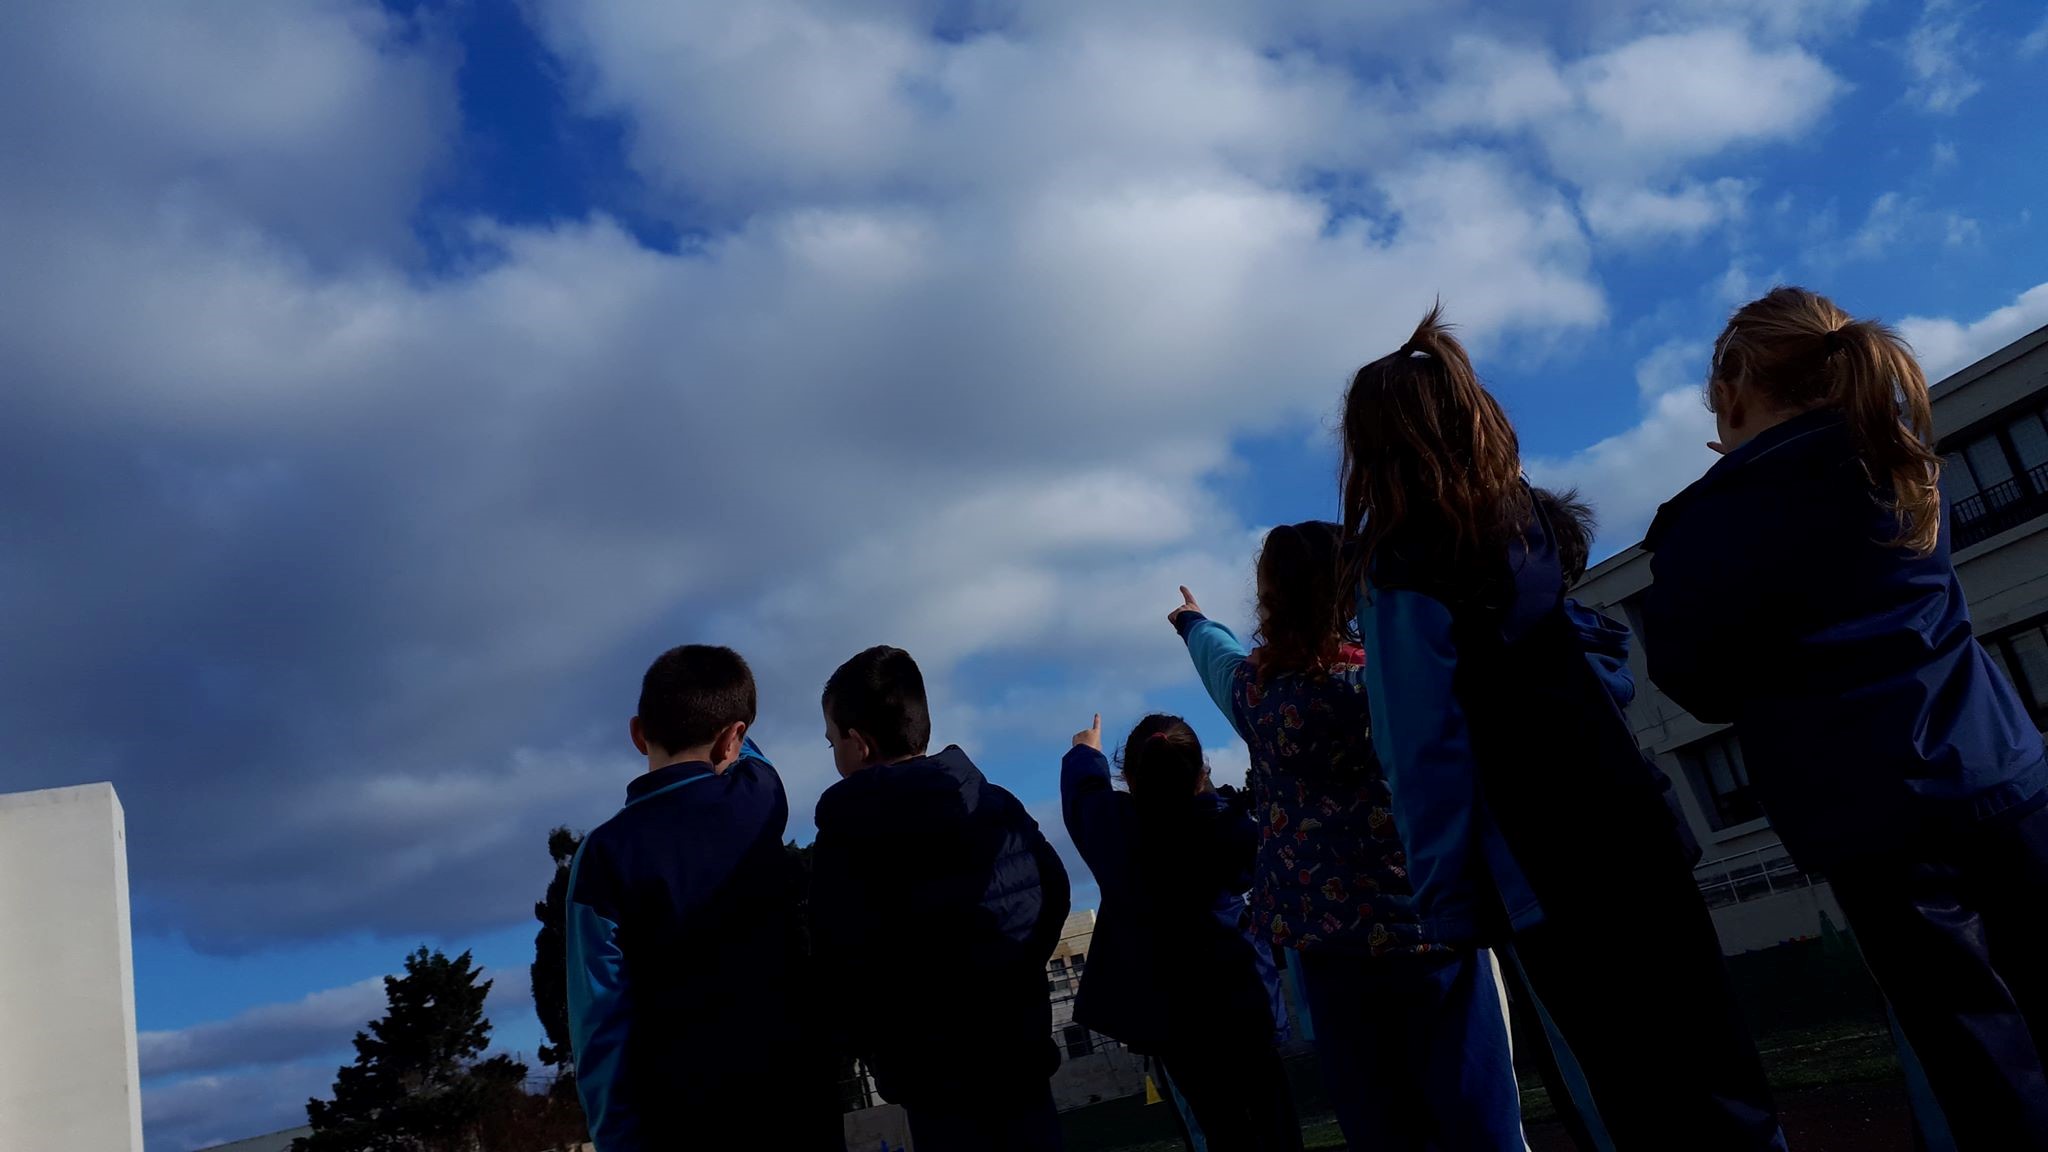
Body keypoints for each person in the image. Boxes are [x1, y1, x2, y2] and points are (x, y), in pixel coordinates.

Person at [1341, 306, 1784, 1150]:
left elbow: (1420, 746)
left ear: (1372, 447)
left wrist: (1443, 898)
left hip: (1537, 860)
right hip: (1634, 821)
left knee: (1631, 1088)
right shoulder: (1526, 523)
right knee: (1720, 1064)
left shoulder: (1396, 567)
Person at [1642, 285, 2048, 1147]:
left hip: (1873, 821)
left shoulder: (1703, 523)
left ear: (1737, 390)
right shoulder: (1901, 461)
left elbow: (1696, 682)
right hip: (2003, 774)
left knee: (1979, 1059)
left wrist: (1727, 484)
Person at [1171, 519, 1524, 1151]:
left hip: (1325, 948)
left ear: (1270, 599)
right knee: (1480, 1119)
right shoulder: (1390, 679)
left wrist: (1194, 623)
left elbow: (1218, 661)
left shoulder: (1258, 695)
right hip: (1430, 929)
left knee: (1379, 1123)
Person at [566, 644, 845, 1152]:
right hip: (795, 1102)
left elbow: (599, 1022)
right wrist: (731, 731)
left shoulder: (602, 856)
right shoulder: (759, 797)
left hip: (676, 1121)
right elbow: (749, 751)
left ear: (636, 734)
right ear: (733, 738)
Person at [810, 645, 1073, 1152]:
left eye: (831, 742)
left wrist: (881, 1041)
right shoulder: (993, 801)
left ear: (858, 744)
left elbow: (837, 957)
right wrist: (1013, 970)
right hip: (1016, 1051)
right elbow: (1053, 888)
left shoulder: (847, 832)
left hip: (930, 1076)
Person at [1061, 711, 1304, 1152]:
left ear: (1129, 778)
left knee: (1219, 1128)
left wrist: (1084, 752)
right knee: (1275, 1121)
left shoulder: (1119, 835)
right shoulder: (1229, 828)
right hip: (1245, 1003)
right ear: (1200, 773)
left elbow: (1086, 797)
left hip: (1175, 1020)